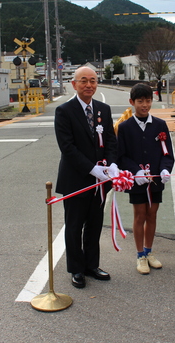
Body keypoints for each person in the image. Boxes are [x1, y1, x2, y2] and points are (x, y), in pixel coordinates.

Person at [54, 66, 119, 289]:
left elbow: (110, 139)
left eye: (92, 80)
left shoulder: (103, 109)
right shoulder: (64, 111)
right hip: (76, 179)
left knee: (94, 224)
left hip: (100, 182)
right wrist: (92, 169)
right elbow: (67, 147)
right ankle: (76, 269)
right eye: (83, 81)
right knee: (74, 226)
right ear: (74, 84)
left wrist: (112, 164)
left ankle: (92, 265)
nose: (89, 85)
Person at [117, 83, 174, 274]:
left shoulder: (160, 125)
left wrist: (165, 169)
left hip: (155, 178)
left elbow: (167, 153)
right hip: (137, 180)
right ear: (132, 102)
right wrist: (135, 172)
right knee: (139, 214)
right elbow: (121, 156)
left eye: (148, 101)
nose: (145, 105)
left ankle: (149, 251)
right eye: (140, 101)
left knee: (152, 214)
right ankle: (140, 255)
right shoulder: (125, 127)